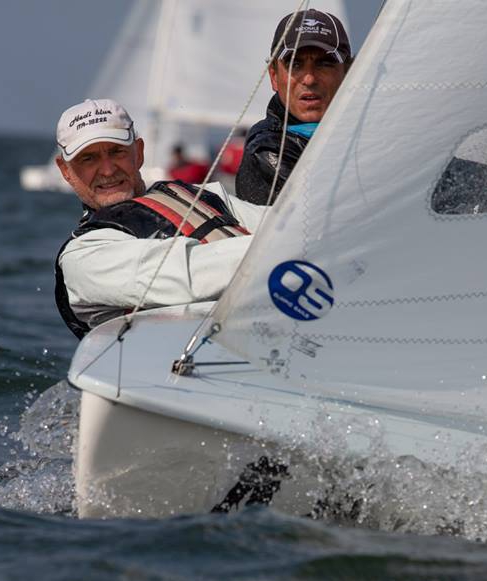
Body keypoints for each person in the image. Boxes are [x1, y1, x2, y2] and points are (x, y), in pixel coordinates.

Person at [53, 98, 266, 338]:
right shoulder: (83, 258)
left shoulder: (207, 195)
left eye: (117, 152)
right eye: (88, 159)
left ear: (139, 153)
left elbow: (285, 223)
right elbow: (188, 275)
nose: (107, 170)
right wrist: (286, 248)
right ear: (65, 171)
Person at [235, 9, 351, 205]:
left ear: (349, 72)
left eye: (324, 63)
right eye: (295, 64)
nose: (309, 78)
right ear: (274, 76)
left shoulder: (368, 131)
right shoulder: (268, 151)